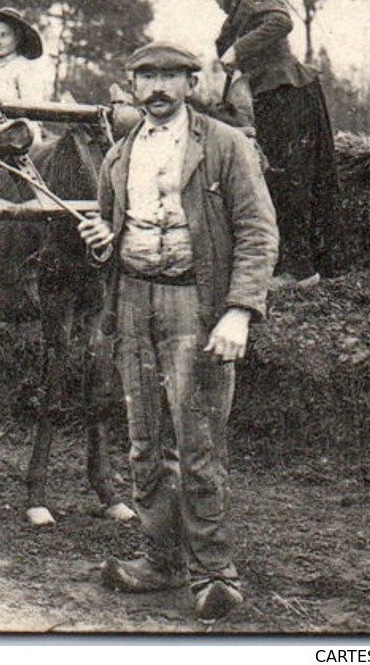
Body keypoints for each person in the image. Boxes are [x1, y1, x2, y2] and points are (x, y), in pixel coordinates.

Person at [75, 41, 278, 622]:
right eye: (147, 77)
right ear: (132, 85)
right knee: (143, 442)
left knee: (199, 443)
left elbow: (259, 232)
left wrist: (239, 310)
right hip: (134, 302)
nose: (158, 88)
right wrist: (101, 243)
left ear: (192, 83)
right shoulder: (118, 155)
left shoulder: (226, 146)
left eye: (170, 77)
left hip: (197, 304)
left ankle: (214, 573)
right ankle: (159, 560)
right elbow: (108, 232)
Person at [190, 0, 337, 287]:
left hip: (287, 93)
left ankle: (300, 271)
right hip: (269, 97)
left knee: (290, 179)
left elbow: (282, 22)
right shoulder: (235, 18)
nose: (215, 1)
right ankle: (291, 263)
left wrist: (238, 50)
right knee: (276, 178)